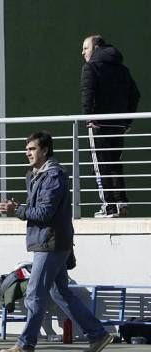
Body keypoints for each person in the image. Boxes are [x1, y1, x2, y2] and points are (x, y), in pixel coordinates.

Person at [0, 131, 113, 352]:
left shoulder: (53, 176)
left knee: (34, 293)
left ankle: (26, 344)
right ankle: (97, 334)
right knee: (60, 293)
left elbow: (45, 212)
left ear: (45, 150)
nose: (27, 153)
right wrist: (17, 207)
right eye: (27, 149)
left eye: (32, 149)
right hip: (49, 240)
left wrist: (16, 210)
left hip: (50, 242)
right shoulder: (37, 175)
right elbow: (39, 209)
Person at [80, 34, 140, 218]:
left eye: (85, 48)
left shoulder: (91, 68)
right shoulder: (122, 69)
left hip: (98, 125)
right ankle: (121, 204)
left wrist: (88, 118)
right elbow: (135, 95)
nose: (83, 52)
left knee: (100, 164)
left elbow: (87, 95)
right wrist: (126, 122)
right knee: (114, 164)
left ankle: (109, 206)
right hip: (118, 126)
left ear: (96, 47)